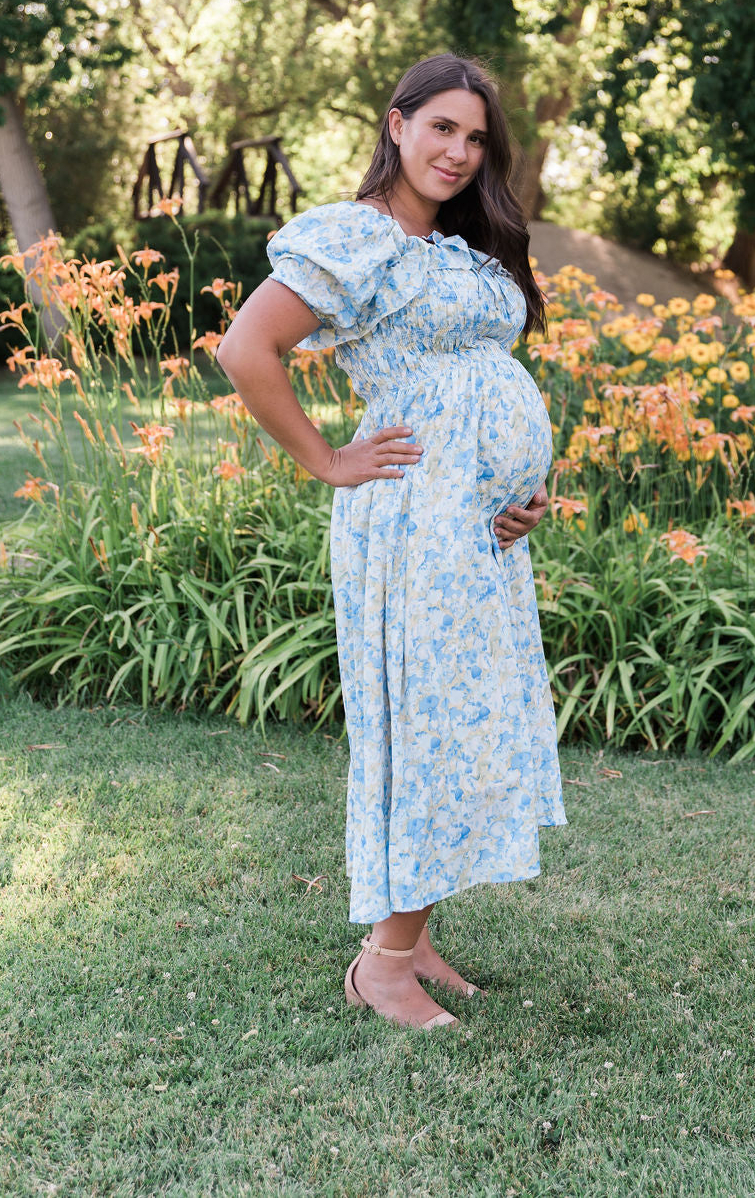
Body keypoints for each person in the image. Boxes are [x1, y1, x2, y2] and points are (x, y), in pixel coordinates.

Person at [216, 53, 567, 1031]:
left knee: (460, 725)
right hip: (411, 519)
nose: (458, 152)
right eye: (442, 128)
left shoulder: (459, 247)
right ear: (397, 124)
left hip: (477, 527)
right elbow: (246, 349)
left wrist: (517, 493)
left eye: (476, 138)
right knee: (433, 728)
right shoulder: (354, 238)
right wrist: (326, 459)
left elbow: (482, 376)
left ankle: (407, 941)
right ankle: (383, 966)